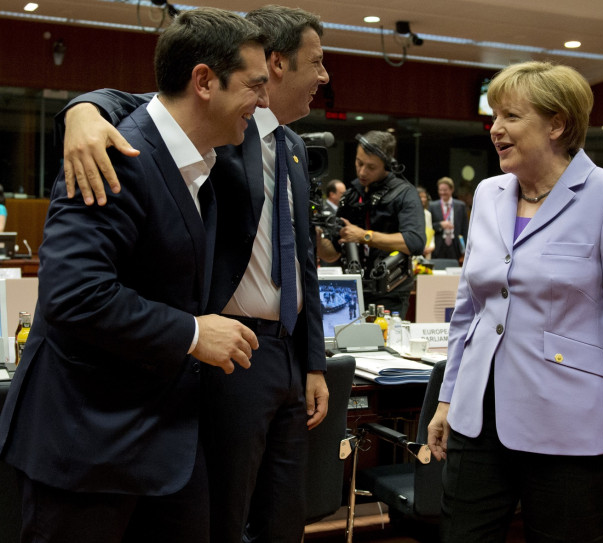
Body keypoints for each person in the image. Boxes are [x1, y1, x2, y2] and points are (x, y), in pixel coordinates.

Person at [55, 6, 330, 542]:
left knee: (281, 516)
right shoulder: (201, 135)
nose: (324, 76)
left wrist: (311, 361)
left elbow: (305, 264)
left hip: (284, 352)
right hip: (219, 350)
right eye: (316, 62)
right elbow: (151, 105)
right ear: (275, 65)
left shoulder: (293, 148)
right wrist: (82, 108)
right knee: (224, 513)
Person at [0, 9, 266, 542]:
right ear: (205, 81)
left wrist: (86, 102)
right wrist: (193, 333)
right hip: (87, 447)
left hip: (165, 445)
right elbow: (75, 297)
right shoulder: (113, 155)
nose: (263, 103)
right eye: (256, 86)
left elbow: (148, 101)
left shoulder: (211, 160)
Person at [427, 61, 603, 543]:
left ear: (557, 124)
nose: (495, 129)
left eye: (511, 116)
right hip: (480, 420)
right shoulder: (490, 193)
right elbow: (471, 312)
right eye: (494, 116)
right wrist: (447, 399)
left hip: (572, 426)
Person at [319, 131, 425, 318]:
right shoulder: (351, 195)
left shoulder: (404, 193)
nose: (362, 172)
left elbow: (415, 242)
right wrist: (315, 232)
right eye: (359, 163)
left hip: (390, 291)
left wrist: (363, 236)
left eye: (371, 167)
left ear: (388, 166)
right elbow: (331, 253)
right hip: (350, 290)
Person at [430, 176, 468, 261]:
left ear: (452, 190)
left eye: (445, 190)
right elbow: (428, 227)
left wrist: (465, 250)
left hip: (455, 245)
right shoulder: (432, 206)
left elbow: (465, 229)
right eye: (440, 190)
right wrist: (440, 225)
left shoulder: (460, 206)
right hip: (438, 245)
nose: (442, 192)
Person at [417, 186, 435, 257]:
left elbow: (430, 232)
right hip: (415, 251)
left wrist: (431, 246)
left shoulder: (428, 214)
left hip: (427, 251)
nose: (423, 199)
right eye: (420, 197)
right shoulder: (410, 214)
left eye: (424, 197)